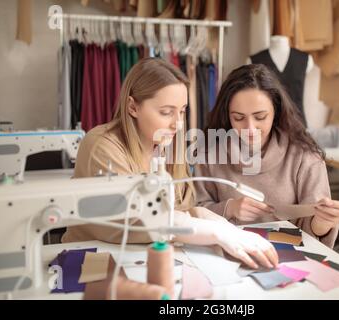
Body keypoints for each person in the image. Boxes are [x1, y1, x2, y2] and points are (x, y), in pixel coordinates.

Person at [62, 58, 278, 269]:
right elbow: (132, 221)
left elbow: (180, 211)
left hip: (140, 260)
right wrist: (217, 232)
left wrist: (221, 225)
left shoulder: (167, 146)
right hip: (90, 262)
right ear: (132, 107)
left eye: (182, 111)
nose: (178, 123)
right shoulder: (101, 145)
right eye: (166, 112)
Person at [194, 64, 339, 248]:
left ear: (276, 111)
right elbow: (193, 212)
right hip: (224, 256)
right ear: (227, 115)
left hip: (289, 258)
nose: (250, 129)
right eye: (239, 118)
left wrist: (322, 223)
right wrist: (229, 208)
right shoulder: (210, 153)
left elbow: (314, 240)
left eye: (260, 117)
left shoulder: (305, 157)